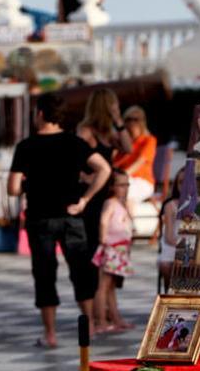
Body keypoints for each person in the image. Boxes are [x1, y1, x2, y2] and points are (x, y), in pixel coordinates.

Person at [7, 92, 111, 347]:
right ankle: (88, 326)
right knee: (80, 269)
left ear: (40, 114)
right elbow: (104, 169)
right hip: (71, 215)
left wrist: (28, 185)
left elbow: (11, 188)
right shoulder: (75, 143)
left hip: (40, 218)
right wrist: (85, 199)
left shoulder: (26, 146)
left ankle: (50, 333)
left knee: (44, 272)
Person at [76, 88, 134, 287]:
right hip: (92, 193)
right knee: (95, 244)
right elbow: (75, 159)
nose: (117, 107)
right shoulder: (86, 131)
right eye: (114, 104)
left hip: (108, 192)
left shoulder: (108, 132)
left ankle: (107, 299)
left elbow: (128, 148)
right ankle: (95, 295)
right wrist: (85, 175)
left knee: (112, 245)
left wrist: (119, 122)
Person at [91, 168, 135, 333]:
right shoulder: (110, 203)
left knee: (110, 286)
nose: (125, 188)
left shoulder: (121, 203)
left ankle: (115, 318)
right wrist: (104, 241)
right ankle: (101, 320)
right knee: (103, 286)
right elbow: (103, 221)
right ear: (112, 187)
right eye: (121, 185)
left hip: (120, 248)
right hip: (112, 248)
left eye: (127, 184)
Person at [112, 105, 157, 212]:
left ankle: (131, 227)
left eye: (136, 119)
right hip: (121, 179)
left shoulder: (148, 140)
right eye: (128, 119)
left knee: (126, 193)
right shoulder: (121, 143)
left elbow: (139, 163)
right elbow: (113, 162)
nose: (132, 122)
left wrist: (121, 178)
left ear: (142, 122)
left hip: (141, 181)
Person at [159, 166, 186, 292]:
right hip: (173, 245)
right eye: (180, 182)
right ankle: (169, 296)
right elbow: (169, 236)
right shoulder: (170, 205)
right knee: (167, 265)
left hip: (191, 245)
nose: (183, 186)